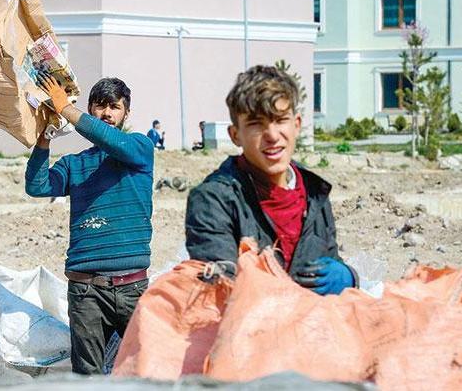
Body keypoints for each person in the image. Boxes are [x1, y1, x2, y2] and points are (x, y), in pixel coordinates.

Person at [185, 65, 357, 295]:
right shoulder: (213, 200)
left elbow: (329, 261)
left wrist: (349, 278)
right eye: (256, 124)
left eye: (280, 120)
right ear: (236, 135)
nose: (273, 136)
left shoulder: (314, 192)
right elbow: (221, 291)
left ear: (296, 125)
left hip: (314, 326)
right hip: (249, 328)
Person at [25, 75, 154, 374]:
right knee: (88, 377)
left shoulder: (138, 148)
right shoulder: (74, 164)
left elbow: (108, 139)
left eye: (114, 107)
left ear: (126, 114)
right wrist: (44, 138)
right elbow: (37, 185)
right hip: (86, 291)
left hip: (132, 286)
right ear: (90, 109)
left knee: (146, 370)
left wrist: (67, 110)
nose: (107, 113)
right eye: (99, 106)